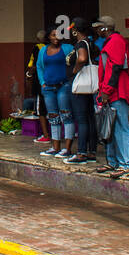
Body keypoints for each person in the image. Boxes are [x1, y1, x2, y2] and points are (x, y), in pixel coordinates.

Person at [95, 15, 129, 177]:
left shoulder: (116, 41)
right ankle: (112, 162)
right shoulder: (111, 41)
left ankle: (124, 163)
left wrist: (107, 90)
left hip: (117, 92)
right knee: (109, 128)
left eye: (99, 27)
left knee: (120, 127)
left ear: (106, 28)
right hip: (110, 92)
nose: (97, 30)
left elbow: (116, 67)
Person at [37, 26, 76, 159]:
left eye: (58, 35)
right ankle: (55, 147)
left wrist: (71, 80)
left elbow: (75, 63)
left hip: (64, 86)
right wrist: (42, 82)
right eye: (53, 35)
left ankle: (67, 148)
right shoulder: (43, 50)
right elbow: (39, 67)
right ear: (49, 37)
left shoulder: (68, 48)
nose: (56, 38)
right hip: (48, 87)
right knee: (53, 117)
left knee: (66, 115)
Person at [66, 18, 98, 165]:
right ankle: (92, 151)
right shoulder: (91, 43)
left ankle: (81, 153)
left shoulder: (81, 43)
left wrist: (74, 71)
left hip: (80, 85)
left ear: (75, 30)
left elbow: (82, 58)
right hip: (89, 86)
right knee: (90, 118)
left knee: (82, 118)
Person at [24, 30, 51, 142]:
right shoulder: (53, 47)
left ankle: (45, 135)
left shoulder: (38, 48)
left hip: (41, 82)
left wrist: (29, 74)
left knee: (41, 110)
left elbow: (34, 65)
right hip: (52, 80)